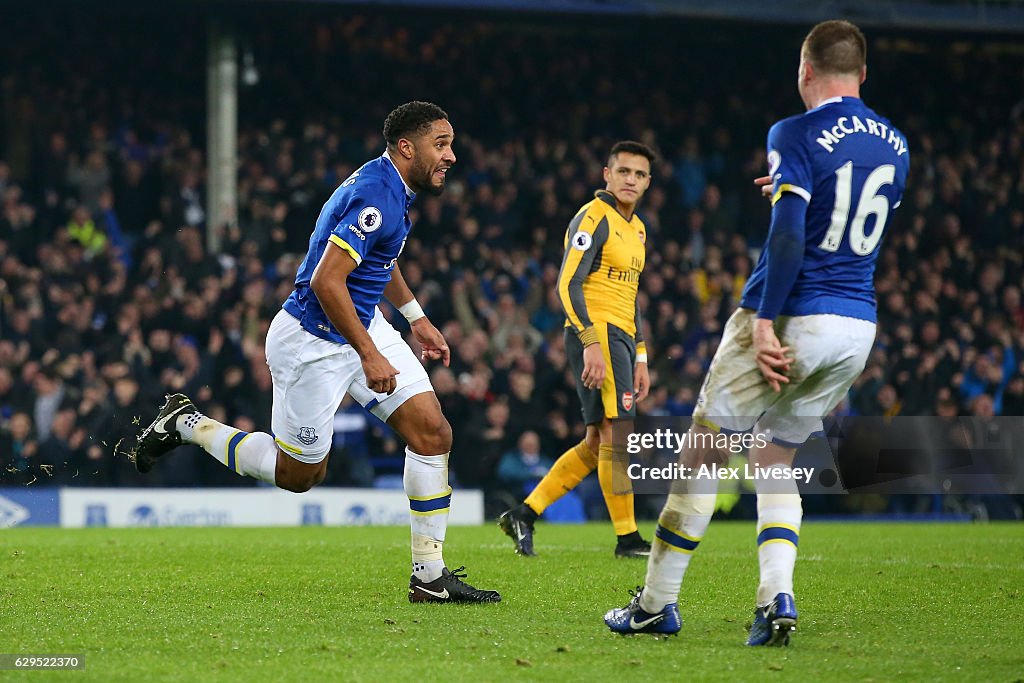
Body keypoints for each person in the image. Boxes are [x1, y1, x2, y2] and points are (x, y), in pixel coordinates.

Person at [604, 19, 909, 644]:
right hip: (857, 325)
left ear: (804, 70)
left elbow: (793, 234)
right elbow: (846, 214)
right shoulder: (897, 144)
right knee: (776, 457)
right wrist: (792, 194)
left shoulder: (794, 130)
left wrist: (765, 320)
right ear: (864, 74)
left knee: (704, 452)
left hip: (796, 313)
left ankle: (655, 604)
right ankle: (777, 598)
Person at [133, 101, 500, 604]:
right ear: (406, 147)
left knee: (433, 432)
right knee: (299, 475)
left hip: (359, 321)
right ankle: (188, 425)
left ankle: (429, 576)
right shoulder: (376, 195)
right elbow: (328, 280)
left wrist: (417, 319)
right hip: (312, 342)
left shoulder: (391, 187)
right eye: (442, 144)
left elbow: (379, 259)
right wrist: (370, 354)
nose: (452, 156)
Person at [498, 141, 656, 558]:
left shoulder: (638, 229)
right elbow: (567, 284)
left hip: (621, 337)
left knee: (594, 442)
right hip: (597, 333)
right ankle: (627, 538)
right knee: (616, 433)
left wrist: (640, 356)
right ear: (607, 174)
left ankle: (524, 515)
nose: (631, 180)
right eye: (623, 171)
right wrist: (590, 342)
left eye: (639, 174)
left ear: (647, 182)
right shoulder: (593, 217)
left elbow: (632, 298)